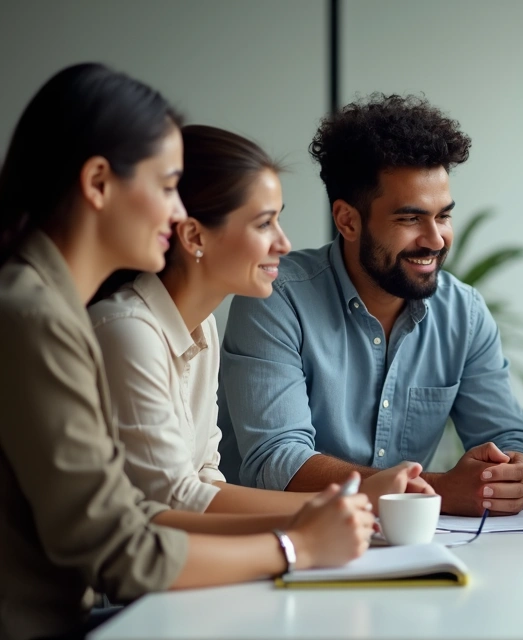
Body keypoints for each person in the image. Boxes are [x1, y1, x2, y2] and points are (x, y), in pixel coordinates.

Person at [0, 64, 373, 640]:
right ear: (98, 183)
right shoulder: (38, 317)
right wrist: (296, 544)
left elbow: (139, 513)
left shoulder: (56, 311)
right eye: (168, 185)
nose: (178, 213)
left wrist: (315, 524)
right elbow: (122, 549)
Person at [217, 94, 523, 517]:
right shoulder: (276, 298)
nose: (436, 239)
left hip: (412, 550)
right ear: (348, 220)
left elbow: (511, 436)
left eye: (443, 216)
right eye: (410, 219)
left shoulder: (464, 311)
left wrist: (516, 473)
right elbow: (275, 460)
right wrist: (434, 490)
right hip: (285, 545)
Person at [89, 125, 432, 516]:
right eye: (263, 224)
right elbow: (174, 499)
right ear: (194, 237)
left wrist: (334, 512)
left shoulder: (202, 328)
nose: (283, 244)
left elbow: (204, 476)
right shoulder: (127, 331)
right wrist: (338, 507)